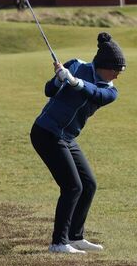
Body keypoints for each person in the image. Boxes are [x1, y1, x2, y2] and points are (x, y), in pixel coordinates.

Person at [31, 32, 126, 254]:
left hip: (67, 137)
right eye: (116, 69)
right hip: (46, 132)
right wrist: (58, 78)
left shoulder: (110, 91)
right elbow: (49, 91)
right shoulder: (76, 65)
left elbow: (94, 94)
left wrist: (74, 81)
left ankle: (75, 236)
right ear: (104, 65)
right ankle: (58, 243)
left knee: (88, 184)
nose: (118, 74)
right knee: (72, 186)